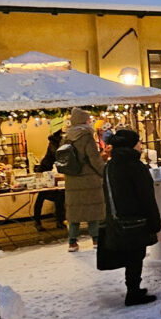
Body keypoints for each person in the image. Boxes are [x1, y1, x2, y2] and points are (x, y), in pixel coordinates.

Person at [100, 129, 161, 306]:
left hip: (118, 218)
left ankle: (133, 288)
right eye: (139, 142)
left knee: (132, 255)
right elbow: (146, 197)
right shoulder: (134, 166)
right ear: (132, 145)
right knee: (136, 256)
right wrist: (155, 222)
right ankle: (133, 292)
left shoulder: (111, 165)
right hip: (136, 219)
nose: (141, 146)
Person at [62, 108, 104, 252]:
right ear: (83, 121)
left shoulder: (66, 137)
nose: (90, 122)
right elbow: (94, 159)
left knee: (74, 212)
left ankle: (72, 242)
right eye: (88, 120)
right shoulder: (86, 136)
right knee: (92, 210)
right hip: (89, 179)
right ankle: (96, 240)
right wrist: (104, 172)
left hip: (72, 178)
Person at [32, 127, 66, 232]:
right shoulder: (53, 143)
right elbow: (57, 155)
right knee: (42, 195)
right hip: (45, 171)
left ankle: (59, 220)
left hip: (52, 172)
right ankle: (37, 221)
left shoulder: (58, 142)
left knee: (59, 196)